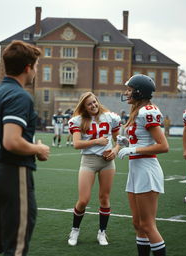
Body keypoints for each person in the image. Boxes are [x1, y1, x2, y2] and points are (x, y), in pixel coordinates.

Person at [0, 40, 50, 256]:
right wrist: (38, 149)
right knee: (16, 247)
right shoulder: (19, 95)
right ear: (28, 67)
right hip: (11, 173)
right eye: (36, 66)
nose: (36, 71)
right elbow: (11, 141)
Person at [117, 74, 169, 256]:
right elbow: (140, 139)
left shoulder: (148, 111)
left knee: (147, 224)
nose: (126, 93)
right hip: (136, 170)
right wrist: (127, 144)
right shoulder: (137, 111)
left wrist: (134, 150)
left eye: (130, 90)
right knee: (138, 223)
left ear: (139, 92)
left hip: (146, 168)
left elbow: (163, 146)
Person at [67, 92, 121, 246]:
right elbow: (76, 144)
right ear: (84, 106)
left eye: (94, 102)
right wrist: (97, 141)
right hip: (89, 161)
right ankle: (75, 229)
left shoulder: (110, 117)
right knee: (83, 200)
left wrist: (115, 151)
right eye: (89, 104)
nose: (93, 105)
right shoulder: (78, 120)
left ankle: (102, 232)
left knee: (104, 198)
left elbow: (120, 140)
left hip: (107, 162)